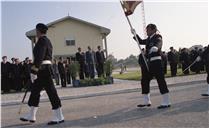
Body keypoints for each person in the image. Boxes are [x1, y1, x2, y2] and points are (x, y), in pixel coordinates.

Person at [20, 23, 64, 125]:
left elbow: (39, 57)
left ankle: (59, 116)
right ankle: (31, 115)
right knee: (35, 92)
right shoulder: (47, 41)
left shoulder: (42, 41)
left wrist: (34, 71)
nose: (36, 33)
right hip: (43, 69)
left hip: (43, 70)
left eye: (36, 31)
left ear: (38, 31)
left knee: (51, 92)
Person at [132, 23, 171, 109]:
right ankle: (146, 101)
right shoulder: (149, 39)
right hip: (148, 63)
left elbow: (159, 42)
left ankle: (166, 101)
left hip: (157, 62)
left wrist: (156, 47)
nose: (146, 31)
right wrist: (135, 34)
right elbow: (141, 41)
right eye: (146, 30)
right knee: (144, 80)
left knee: (160, 80)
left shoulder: (157, 36)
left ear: (153, 30)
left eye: (148, 29)